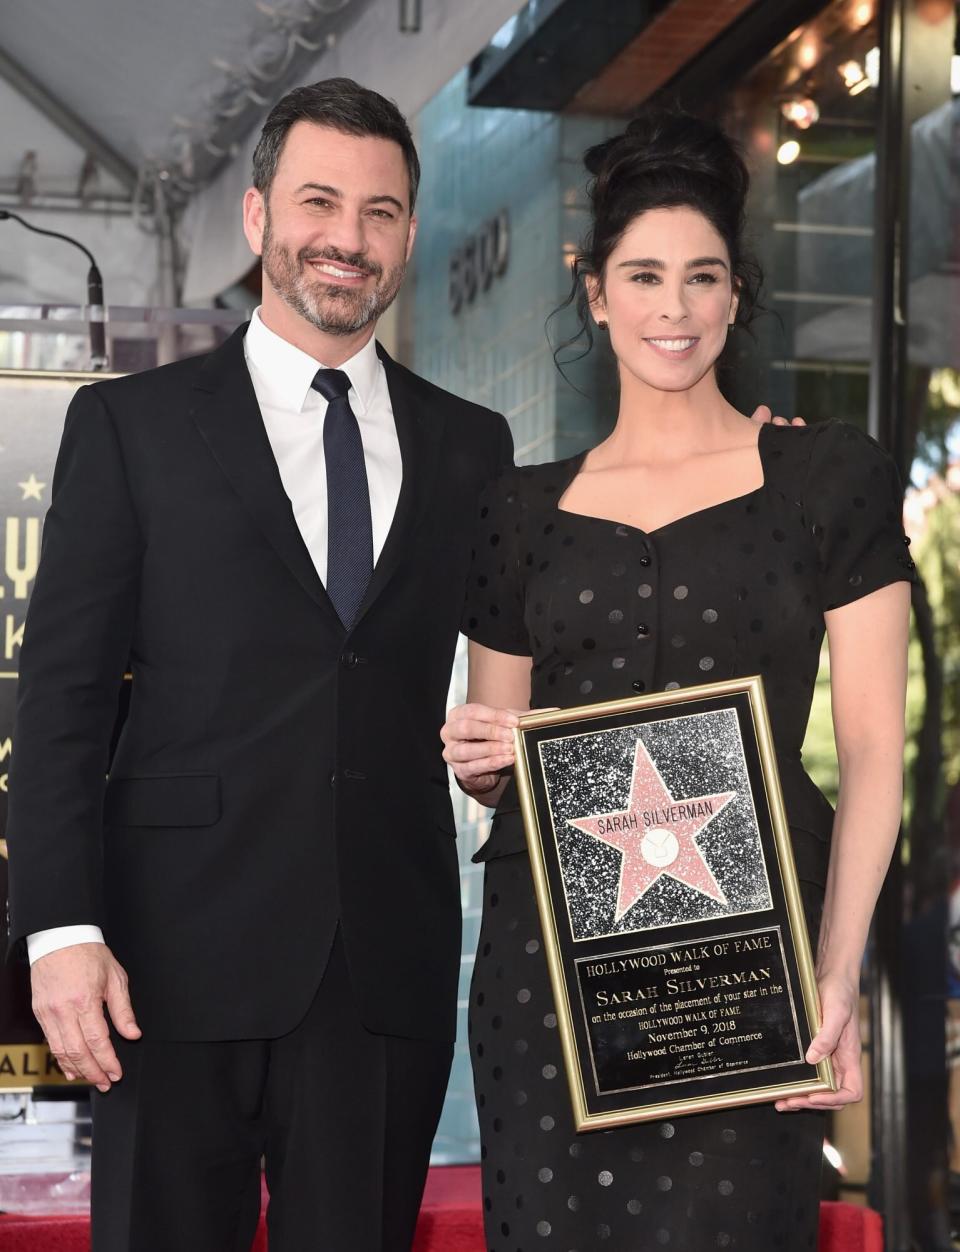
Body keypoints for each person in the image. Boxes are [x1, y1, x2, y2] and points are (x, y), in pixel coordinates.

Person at [5, 79, 515, 1252]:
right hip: (164, 959)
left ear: (409, 234)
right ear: (255, 216)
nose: (347, 237)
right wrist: (58, 932)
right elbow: (65, 703)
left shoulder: (471, 447)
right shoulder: (130, 428)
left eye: (380, 211)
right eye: (320, 202)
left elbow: (533, 642)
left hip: (380, 961)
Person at [441, 106, 914, 1250]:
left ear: (736, 297)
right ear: (595, 292)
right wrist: (482, 755)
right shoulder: (519, 511)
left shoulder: (823, 478)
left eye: (702, 278)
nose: (674, 307)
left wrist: (836, 975)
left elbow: (873, 762)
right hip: (547, 980)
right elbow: (495, 763)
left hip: (749, 973)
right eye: (644, 275)